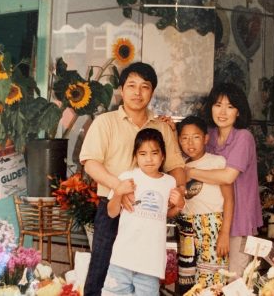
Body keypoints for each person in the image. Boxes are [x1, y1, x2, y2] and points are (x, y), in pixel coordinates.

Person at [79, 62, 185, 296]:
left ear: (152, 92)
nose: (137, 92)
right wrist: (118, 187)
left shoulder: (163, 127)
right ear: (121, 90)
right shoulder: (105, 122)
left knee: (145, 277)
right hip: (113, 208)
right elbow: (90, 162)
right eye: (131, 85)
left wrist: (179, 192)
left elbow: (177, 166)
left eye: (144, 87)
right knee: (102, 270)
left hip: (148, 213)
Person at [186, 83, 263, 279]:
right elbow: (188, 147)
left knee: (235, 280)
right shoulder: (209, 135)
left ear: (238, 111)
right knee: (212, 280)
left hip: (238, 220)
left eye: (230, 106)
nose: (222, 111)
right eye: (218, 104)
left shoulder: (243, 137)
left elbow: (228, 176)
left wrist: (191, 171)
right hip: (212, 219)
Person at [102, 128, 184, 296]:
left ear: (162, 156)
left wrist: (179, 205)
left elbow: (164, 215)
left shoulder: (169, 182)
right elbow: (111, 213)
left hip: (150, 264)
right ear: (135, 156)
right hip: (122, 259)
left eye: (154, 153)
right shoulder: (127, 177)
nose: (149, 159)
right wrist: (118, 192)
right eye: (143, 153)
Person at [175, 116, 234, 293]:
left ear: (206, 138)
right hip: (186, 228)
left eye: (196, 137)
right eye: (184, 138)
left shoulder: (217, 162)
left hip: (212, 227)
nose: (190, 143)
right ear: (178, 140)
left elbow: (229, 199)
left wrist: (224, 233)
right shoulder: (180, 166)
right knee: (189, 282)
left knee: (213, 281)